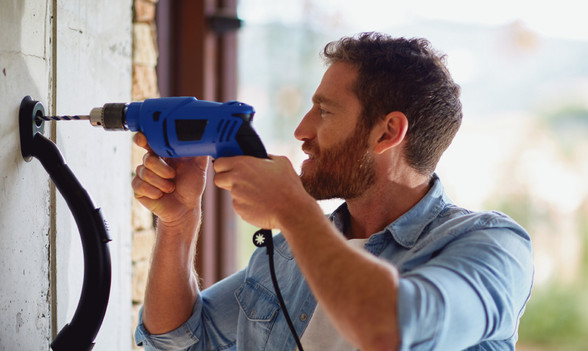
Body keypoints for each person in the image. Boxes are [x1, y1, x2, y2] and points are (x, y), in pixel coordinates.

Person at [133, 32, 533, 351]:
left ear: (387, 132)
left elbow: (391, 331)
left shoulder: (491, 246)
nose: (302, 132)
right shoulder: (292, 251)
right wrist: (179, 222)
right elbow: (179, 341)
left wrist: (292, 209)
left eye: (324, 112)